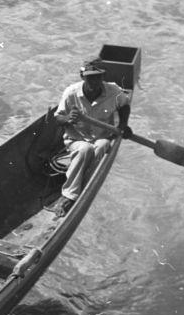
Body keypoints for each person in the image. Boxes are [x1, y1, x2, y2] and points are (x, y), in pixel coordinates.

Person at [50, 60, 131, 217]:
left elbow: (124, 105)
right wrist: (67, 118)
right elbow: (57, 118)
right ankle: (69, 195)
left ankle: (85, 186)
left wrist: (123, 124)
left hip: (102, 136)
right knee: (85, 149)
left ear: (102, 77)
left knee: (101, 147)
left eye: (97, 77)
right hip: (76, 139)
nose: (93, 81)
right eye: (89, 78)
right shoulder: (71, 92)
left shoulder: (114, 91)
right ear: (82, 77)